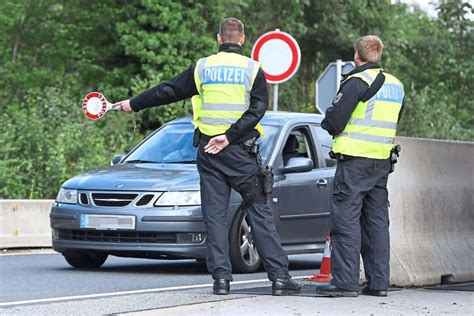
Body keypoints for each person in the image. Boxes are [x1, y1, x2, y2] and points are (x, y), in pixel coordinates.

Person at [114, 17, 301, 296]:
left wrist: (134, 103)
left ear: (218, 39)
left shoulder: (203, 67)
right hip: (240, 153)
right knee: (259, 212)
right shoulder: (253, 69)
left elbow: (169, 90)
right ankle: (279, 279)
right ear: (242, 39)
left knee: (215, 217)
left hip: (209, 153)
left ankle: (221, 280)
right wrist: (231, 135)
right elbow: (257, 110)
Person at [317, 35, 404, 297]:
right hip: (381, 163)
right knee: (376, 223)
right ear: (379, 54)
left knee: (345, 221)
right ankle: (379, 283)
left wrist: (328, 121)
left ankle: (344, 282)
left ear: (357, 55)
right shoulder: (396, 85)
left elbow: (335, 121)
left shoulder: (357, 81)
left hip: (355, 162)